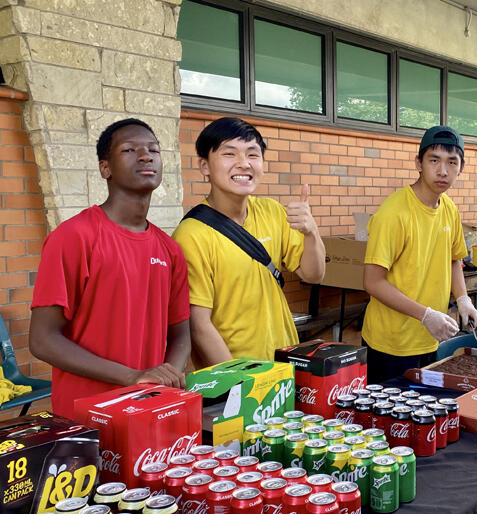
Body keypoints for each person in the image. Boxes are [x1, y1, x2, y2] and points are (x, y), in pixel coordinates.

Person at [29, 119, 191, 419]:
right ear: (106, 168)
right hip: (86, 417)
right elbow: (42, 340)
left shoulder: (169, 249)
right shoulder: (74, 237)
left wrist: (167, 379)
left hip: (148, 411)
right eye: (130, 149)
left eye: (153, 149)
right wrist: (132, 376)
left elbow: (180, 333)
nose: (146, 156)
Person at [173, 117, 325, 366]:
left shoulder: (272, 212)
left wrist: (311, 232)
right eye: (229, 154)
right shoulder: (191, 235)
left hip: (282, 366)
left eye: (253, 155)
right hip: (233, 377)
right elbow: (198, 325)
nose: (243, 164)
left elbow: (313, 274)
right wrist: (243, 383)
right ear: (204, 166)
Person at [362, 126, 477, 383]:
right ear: (418, 163)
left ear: (460, 168)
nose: (443, 171)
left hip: (431, 338)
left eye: (452, 162)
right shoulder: (394, 213)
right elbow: (372, 282)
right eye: (434, 160)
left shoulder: (448, 208)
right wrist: (425, 315)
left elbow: (454, 259)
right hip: (391, 343)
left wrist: (463, 299)